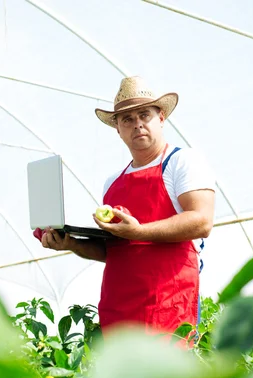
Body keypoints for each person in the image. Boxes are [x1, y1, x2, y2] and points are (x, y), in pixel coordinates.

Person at [41, 76, 215, 335]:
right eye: (127, 120)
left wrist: (139, 232)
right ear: (118, 129)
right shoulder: (113, 183)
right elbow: (116, 250)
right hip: (120, 306)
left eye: (144, 115)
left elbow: (201, 221)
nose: (138, 125)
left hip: (169, 301)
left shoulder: (183, 161)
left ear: (161, 118)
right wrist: (71, 243)